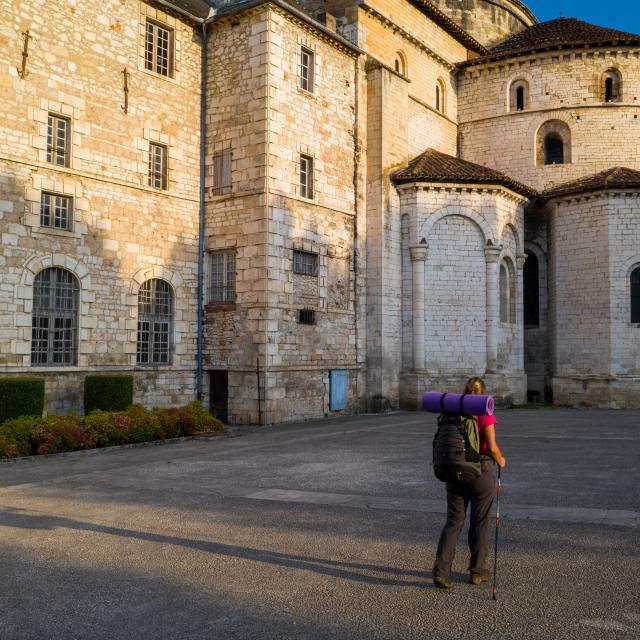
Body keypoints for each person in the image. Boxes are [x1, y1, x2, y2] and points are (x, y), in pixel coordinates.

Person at [432, 376, 506, 589]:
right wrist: (501, 460)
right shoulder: (484, 411)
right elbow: (491, 447)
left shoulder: (453, 410)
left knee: (453, 521)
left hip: (454, 471)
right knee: (480, 520)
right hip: (479, 472)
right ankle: (477, 571)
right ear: (483, 392)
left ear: (464, 390)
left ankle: (441, 572)